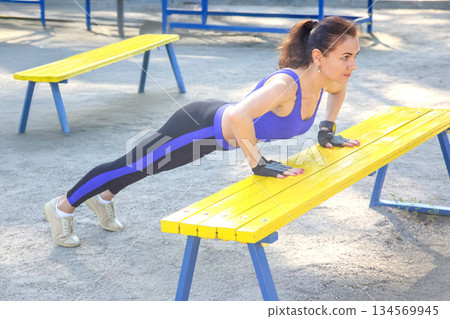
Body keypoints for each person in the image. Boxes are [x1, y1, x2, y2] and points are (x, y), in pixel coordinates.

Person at [44, 16, 361, 247]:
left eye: (354, 57)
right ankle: (62, 206)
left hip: (215, 140)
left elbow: (337, 92)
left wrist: (327, 129)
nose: (352, 66)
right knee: (132, 163)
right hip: (198, 127)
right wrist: (258, 163)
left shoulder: (326, 81)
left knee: (151, 166)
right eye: (345, 57)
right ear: (318, 57)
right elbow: (239, 114)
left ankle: (103, 197)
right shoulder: (287, 84)